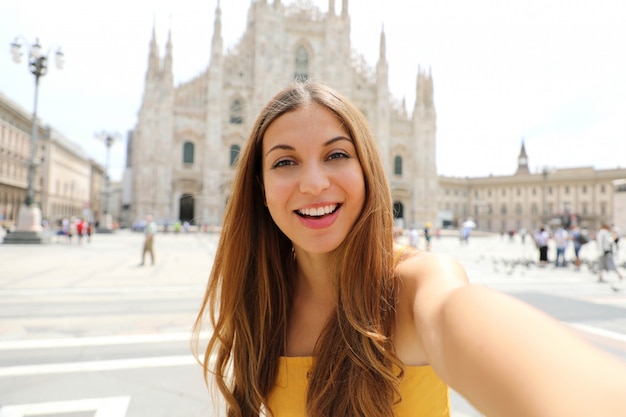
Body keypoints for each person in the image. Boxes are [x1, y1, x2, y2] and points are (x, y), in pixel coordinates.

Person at [192, 82, 626, 417]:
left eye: (337, 155)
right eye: (284, 162)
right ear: (259, 190)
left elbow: (459, 317)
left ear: (369, 172)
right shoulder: (262, 296)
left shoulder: (414, 286)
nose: (313, 183)